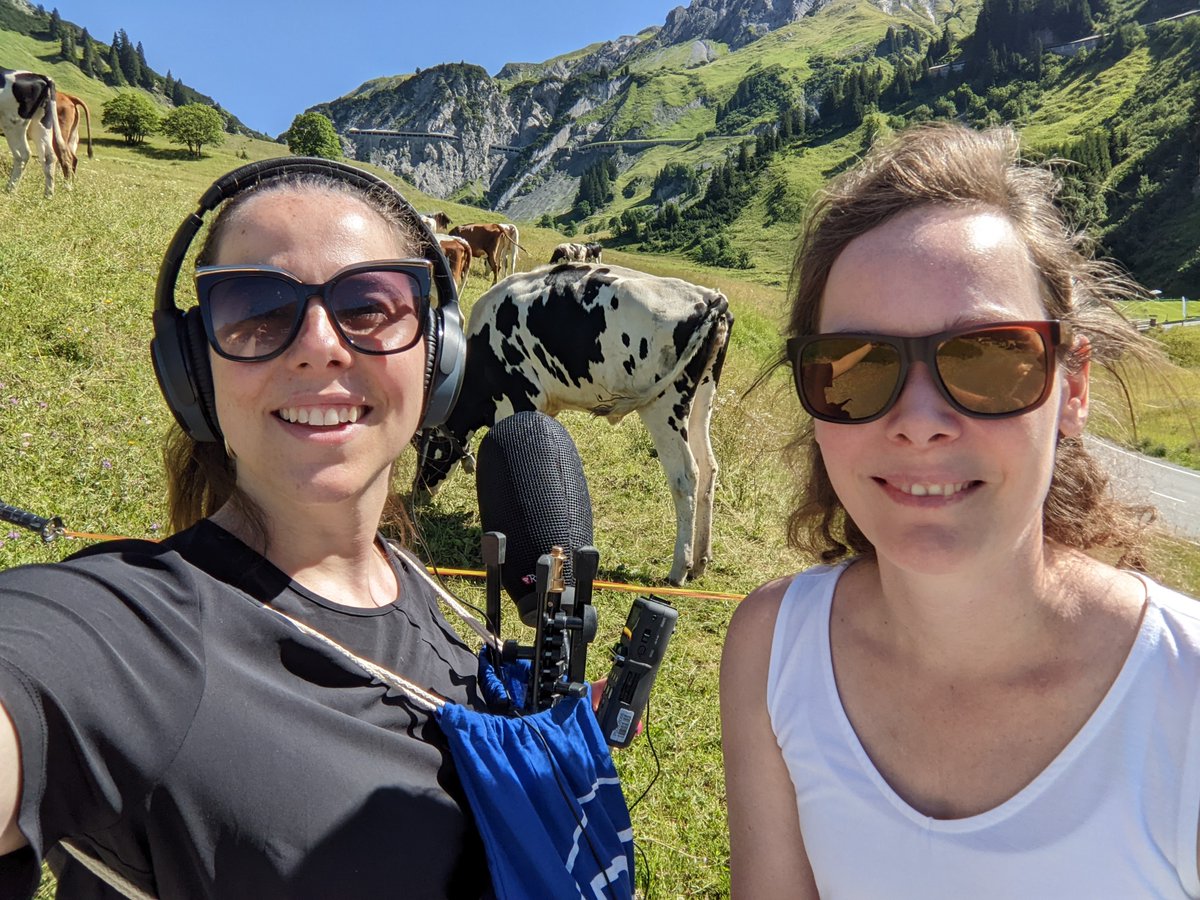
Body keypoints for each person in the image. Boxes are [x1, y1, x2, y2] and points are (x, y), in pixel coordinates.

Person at [721, 123, 1200, 898]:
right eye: (854, 366)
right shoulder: (773, 650)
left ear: (1071, 389)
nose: (918, 420)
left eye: (986, 356)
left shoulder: (1186, 696)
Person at [0, 160, 494, 898]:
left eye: (369, 304)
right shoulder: (139, 639)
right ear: (193, 369)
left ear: (437, 352)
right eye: (257, 308)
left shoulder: (430, 604)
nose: (320, 343)